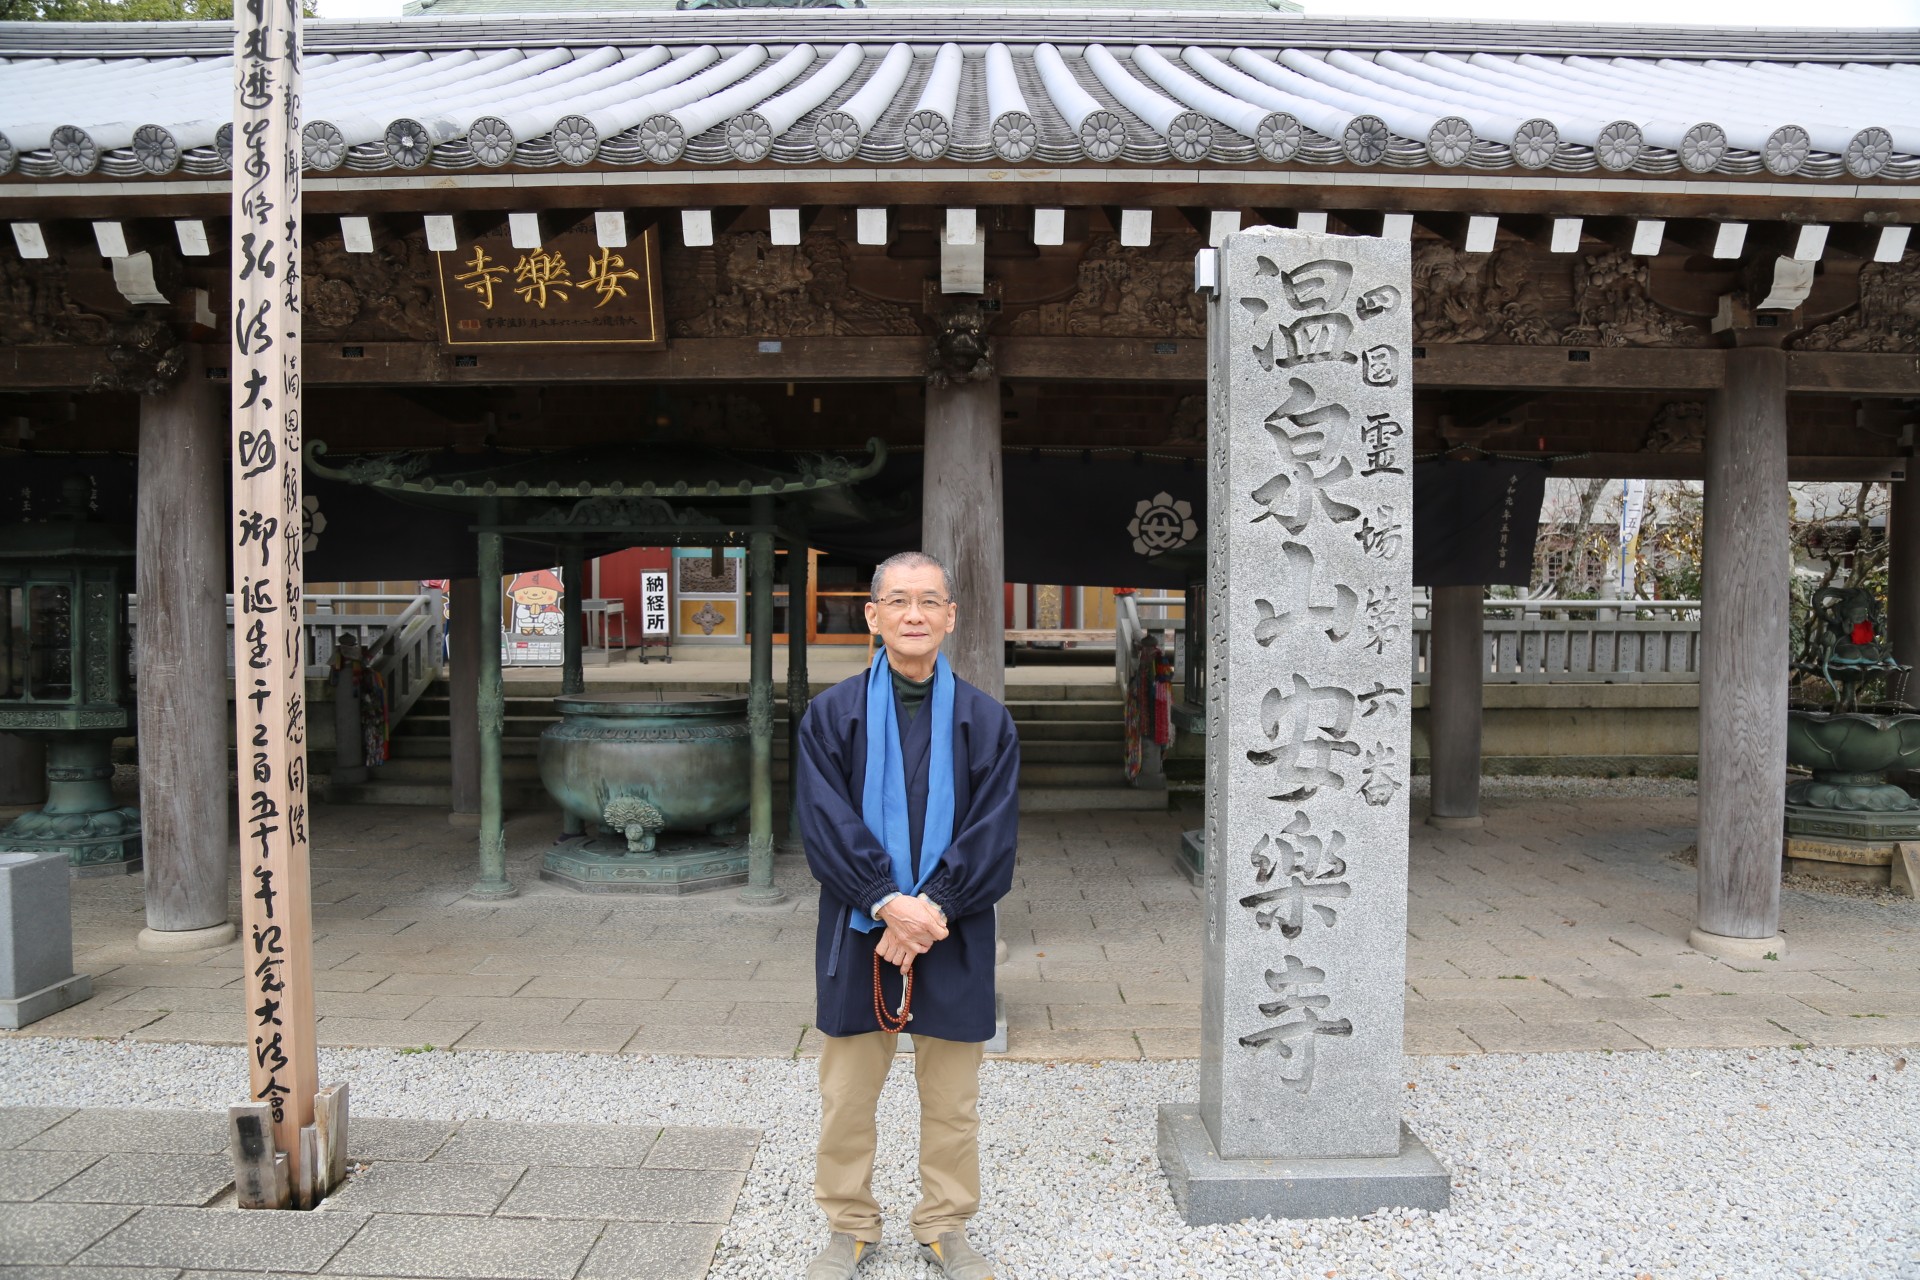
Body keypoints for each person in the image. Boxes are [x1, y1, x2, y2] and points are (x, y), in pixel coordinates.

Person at [796, 551, 1020, 1280]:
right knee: (846, 1096)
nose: (914, 615)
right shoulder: (832, 716)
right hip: (861, 928)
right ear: (873, 615)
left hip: (951, 933)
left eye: (930, 602)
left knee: (953, 1100)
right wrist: (888, 903)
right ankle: (850, 1224)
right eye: (898, 601)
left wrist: (933, 908)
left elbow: (993, 832)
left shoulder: (987, 721)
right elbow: (824, 823)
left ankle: (945, 1223)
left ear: (951, 617)